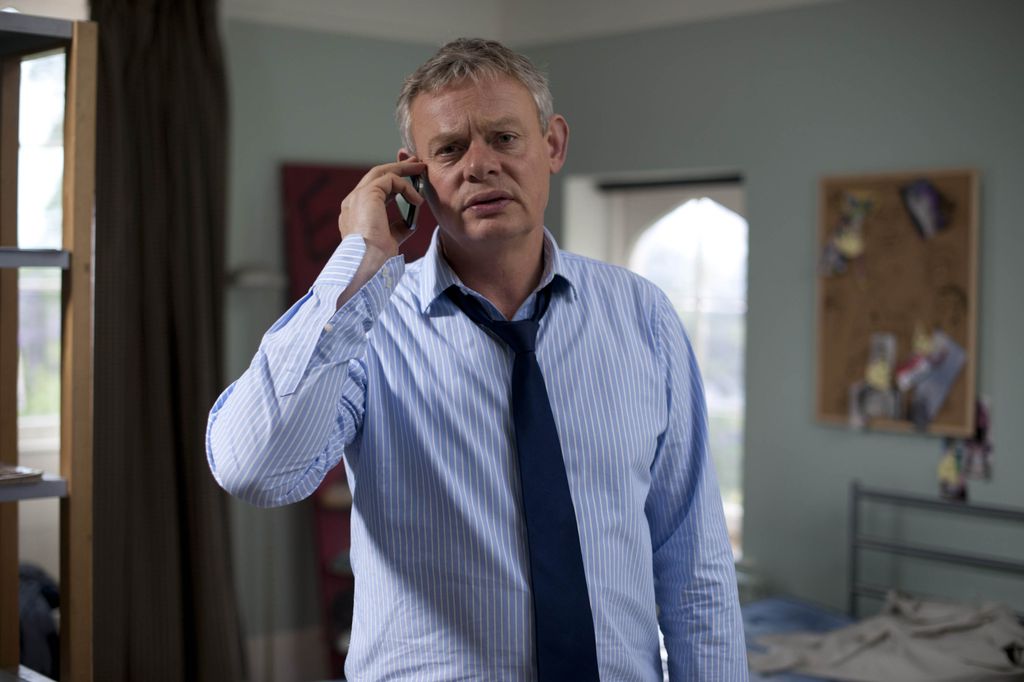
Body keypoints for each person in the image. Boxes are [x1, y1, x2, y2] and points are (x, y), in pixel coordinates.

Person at [207, 38, 747, 681]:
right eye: (450, 149)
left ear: (552, 144)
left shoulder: (643, 317)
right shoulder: (365, 324)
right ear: (414, 173)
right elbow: (255, 471)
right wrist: (355, 266)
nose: (480, 165)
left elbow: (695, 569)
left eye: (504, 138)